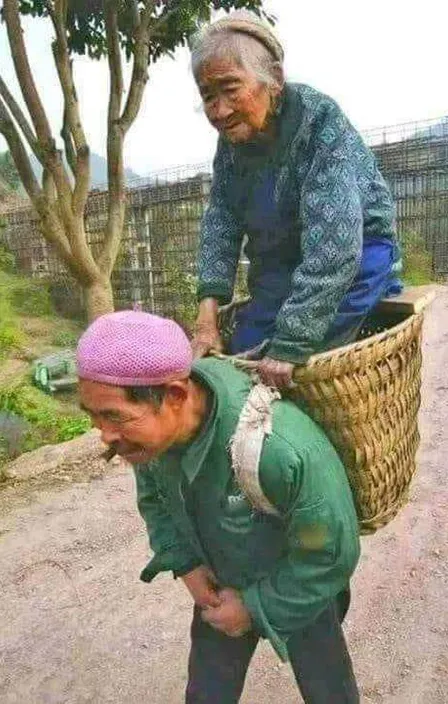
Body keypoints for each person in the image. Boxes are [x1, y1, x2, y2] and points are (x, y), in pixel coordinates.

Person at [77, 310, 361, 703]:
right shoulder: (148, 441)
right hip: (219, 581)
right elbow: (156, 500)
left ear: (175, 395)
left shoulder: (279, 448)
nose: (105, 435)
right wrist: (187, 566)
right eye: (92, 415)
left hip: (297, 585)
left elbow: (326, 549)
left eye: (113, 416)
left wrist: (254, 608)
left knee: (328, 688)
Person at [190, 11, 402, 389]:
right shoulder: (232, 144)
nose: (219, 110)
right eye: (208, 96)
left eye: (230, 88)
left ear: (274, 79)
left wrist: (291, 344)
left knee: (299, 368)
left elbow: (337, 246)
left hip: (356, 256)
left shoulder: (318, 121)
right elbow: (221, 220)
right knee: (242, 354)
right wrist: (206, 317)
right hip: (281, 265)